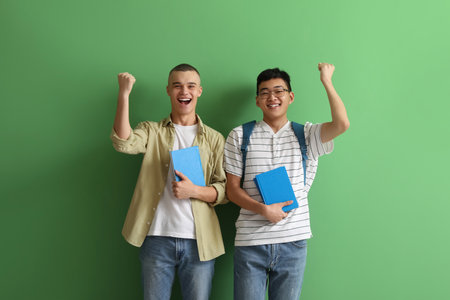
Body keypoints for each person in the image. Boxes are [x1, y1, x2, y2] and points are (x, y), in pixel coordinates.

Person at [224, 63, 349, 300]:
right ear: (257, 100)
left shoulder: (308, 134)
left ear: (290, 97)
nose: (272, 97)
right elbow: (232, 190)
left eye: (279, 91)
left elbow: (342, 124)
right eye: (265, 92)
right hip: (251, 243)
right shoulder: (240, 135)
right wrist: (263, 209)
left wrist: (327, 81)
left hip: (293, 242)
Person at [111, 64, 227, 300]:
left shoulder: (215, 139)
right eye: (177, 86)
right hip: (156, 238)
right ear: (168, 90)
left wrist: (194, 190)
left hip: (200, 243)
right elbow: (123, 142)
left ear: (200, 91)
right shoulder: (152, 130)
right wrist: (124, 94)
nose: (184, 91)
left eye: (190, 86)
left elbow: (224, 191)